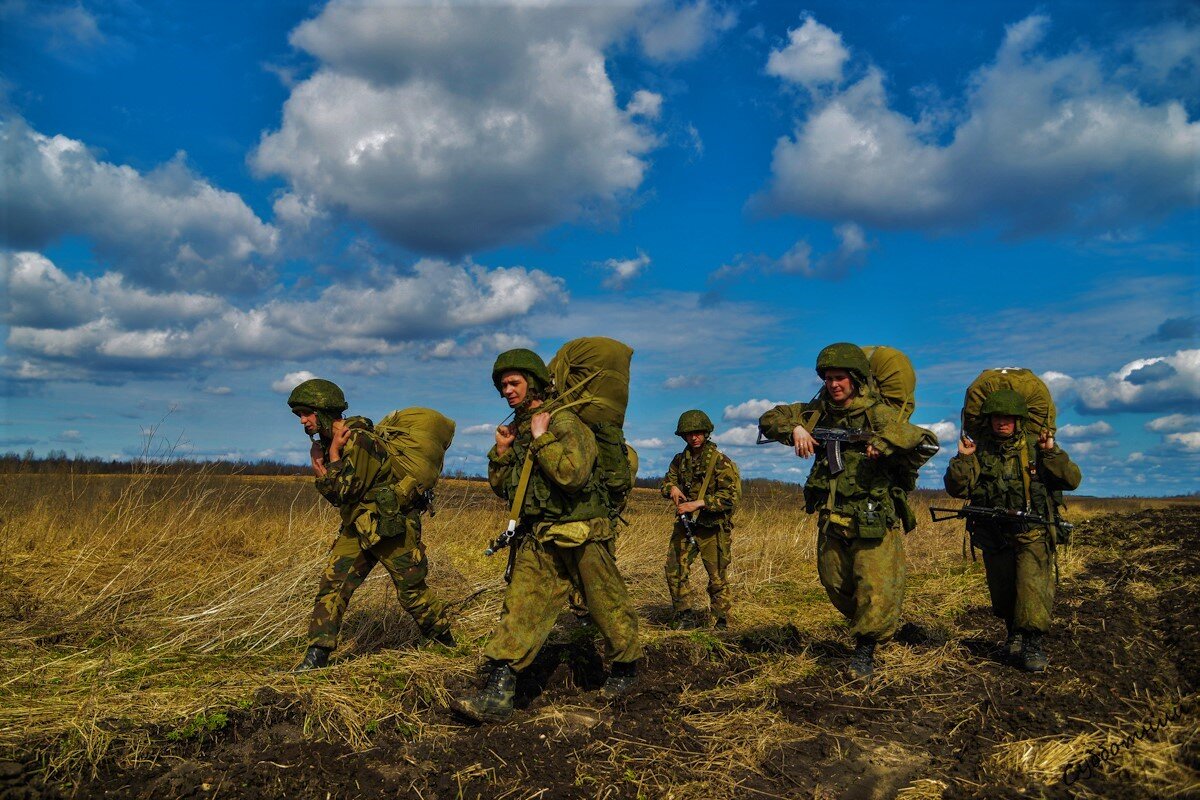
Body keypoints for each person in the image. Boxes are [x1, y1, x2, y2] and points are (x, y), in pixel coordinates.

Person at [450, 349, 643, 722]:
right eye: (502, 385)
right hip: (539, 536)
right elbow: (510, 491)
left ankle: (626, 669)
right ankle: (498, 693)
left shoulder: (565, 423)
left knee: (605, 603)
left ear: (533, 383)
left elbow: (572, 475)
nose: (507, 390)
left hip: (584, 534)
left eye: (514, 383)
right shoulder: (522, 431)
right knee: (521, 607)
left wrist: (541, 439)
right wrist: (503, 453)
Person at [758, 343, 937, 678]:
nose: (833, 384)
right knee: (834, 581)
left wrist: (885, 443)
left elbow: (922, 438)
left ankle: (866, 648)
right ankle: (873, 623)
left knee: (874, 584)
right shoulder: (816, 412)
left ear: (855, 379)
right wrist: (795, 428)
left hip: (872, 514)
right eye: (828, 378)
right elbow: (770, 418)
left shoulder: (878, 412)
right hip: (832, 513)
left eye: (840, 378)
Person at [287, 378, 454, 672]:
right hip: (359, 526)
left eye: (307, 412)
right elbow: (344, 497)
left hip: (392, 527)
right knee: (333, 586)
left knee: (412, 592)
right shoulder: (329, 442)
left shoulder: (358, 439)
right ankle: (315, 657)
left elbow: (344, 492)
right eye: (299, 414)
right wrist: (328, 460)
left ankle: (445, 642)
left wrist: (327, 463)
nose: (303, 421)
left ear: (325, 409)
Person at [943, 388, 1081, 672]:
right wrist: (964, 459)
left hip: (1032, 532)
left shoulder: (1036, 447)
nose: (1001, 422)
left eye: (1007, 417)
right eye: (996, 417)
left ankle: (1033, 644)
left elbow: (1071, 480)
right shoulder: (978, 449)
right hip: (994, 534)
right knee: (1003, 591)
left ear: (1018, 420)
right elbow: (957, 489)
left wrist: (1051, 453)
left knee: (1032, 587)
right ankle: (1013, 634)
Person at [661, 409, 741, 630]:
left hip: (712, 527)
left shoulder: (720, 462)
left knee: (716, 576)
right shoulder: (680, 460)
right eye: (689, 434)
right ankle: (683, 615)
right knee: (675, 569)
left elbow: (730, 498)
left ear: (706, 433)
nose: (693, 437)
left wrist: (697, 504)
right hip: (687, 524)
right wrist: (672, 488)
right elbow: (666, 482)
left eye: (698, 433)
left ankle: (720, 620)